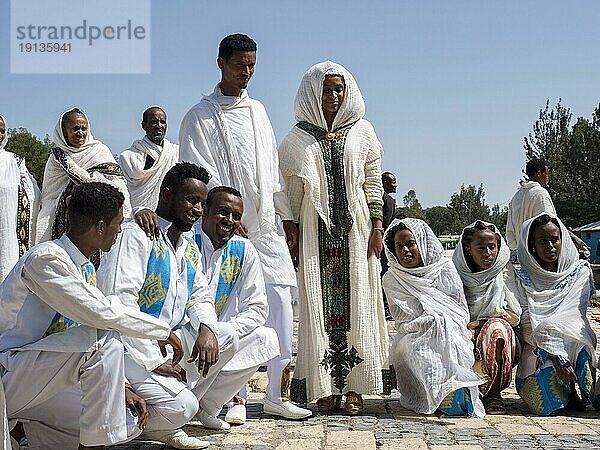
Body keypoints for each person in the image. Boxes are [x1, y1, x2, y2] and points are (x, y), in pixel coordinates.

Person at [178, 33, 309, 420]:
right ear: (221, 63)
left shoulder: (259, 111)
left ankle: (275, 393)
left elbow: (270, 172)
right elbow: (201, 172)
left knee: (280, 307)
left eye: (253, 66)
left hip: (265, 227)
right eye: (240, 66)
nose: (247, 73)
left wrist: (280, 217)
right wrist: (229, 220)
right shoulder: (198, 116)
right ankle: (231, 398)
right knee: (230, 308)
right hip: (224, 229)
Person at [0, 182, 183, 450]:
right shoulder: (46, 260)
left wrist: (119, 386)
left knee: (125, 420)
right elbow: (101, 313)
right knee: (103, 337)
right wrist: (162, 331)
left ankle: (30, 432)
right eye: (117, 223)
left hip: (39, 375)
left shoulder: (85, 268)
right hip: (9, 374)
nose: (120, 230)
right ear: (100, 227)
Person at [278, 61, 389, 414]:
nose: (334, 95)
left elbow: (372, 180)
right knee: (316, 305)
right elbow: (289, 190)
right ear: (313, 92)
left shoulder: (363, 132)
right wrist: (291, 229)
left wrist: (377, 226)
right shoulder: (296, 139)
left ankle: (355, 389)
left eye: (339, 89)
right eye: (327, 89)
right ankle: (323, 388)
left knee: (359, 302)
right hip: (314, 230)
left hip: (357, 231)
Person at [98, 163, 223, 449]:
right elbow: (120, 302)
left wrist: (206, 328)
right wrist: (153, 361)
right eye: (191, 200)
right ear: (167, 196)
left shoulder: (188, 243)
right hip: (129, 347)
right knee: (183, 407)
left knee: (223, 336)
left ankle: (165, 406)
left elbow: (200, 295)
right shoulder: (138, 233)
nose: (199, 210)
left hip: (167, 342)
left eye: (203, 203)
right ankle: (147, 420)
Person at [194, 186, 280, 425]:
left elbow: (258, 307)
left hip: (220, 336)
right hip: (184, 333)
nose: (229, 221)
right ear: (204, 212)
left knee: (266, 339)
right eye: (222, 212)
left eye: (236, 216)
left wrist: (225, 332)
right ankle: (183, 404)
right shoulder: (187, 240)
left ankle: (207, 406)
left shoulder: (243, 249)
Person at [382, 218, 485, 417]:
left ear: (422, 242)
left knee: (454, 340)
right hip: (412, 333)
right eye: (399, 246)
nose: (405, 250)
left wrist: (441, 322)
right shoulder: (392, 277)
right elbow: (404, 317)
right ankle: (429, 393)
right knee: (418, 349)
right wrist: (431, 322)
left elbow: (459, 309)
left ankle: (454, 388)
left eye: (410, 244)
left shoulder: (444, 268)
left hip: (450, 329)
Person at [512, 213, 598, 415]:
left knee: (580, 344)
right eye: (543, 241)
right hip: (538, 349)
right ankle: (565, 395)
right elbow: (527, 325)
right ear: (532, 244)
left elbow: (575, 319)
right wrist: (555, 355)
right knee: (548, 405)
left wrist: (558, 343)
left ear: (562, 239)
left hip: (574, 345)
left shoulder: (580, 272)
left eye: (554, 239)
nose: (550, 246)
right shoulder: (521, 278)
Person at [452, 221, 522, 414]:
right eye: (480, 248)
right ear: (468, 250)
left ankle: (493, 394)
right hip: (465, 333)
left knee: (496, 329)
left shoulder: (504, 271)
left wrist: (483, 322)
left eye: (492, 247)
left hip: (501, 339)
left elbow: (515, 314)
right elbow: (449, 310)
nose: (487, 253)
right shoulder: (456, 273)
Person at [36, 108, 131, 247]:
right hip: (61, 221)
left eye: (84, 128)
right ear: (63, 131)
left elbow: (117, 185)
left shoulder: (100, 151)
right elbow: (50, 195)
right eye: (75, 129)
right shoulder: (56, 158)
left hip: (98, 221)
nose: (80, 133)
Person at [505, 158, 586, 256]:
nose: (547, 177)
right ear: (538, 173)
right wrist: (574, 238)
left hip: (523, 254)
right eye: (546, 173)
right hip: (540, 253)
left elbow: (510, 232)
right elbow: (551, 223)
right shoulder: (540, 193)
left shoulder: (516, 196)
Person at [0, 115, 40, 283]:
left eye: (2, 131)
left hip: (7, 229)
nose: (0, 135)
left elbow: (33, 191)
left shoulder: (13, 161)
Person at [119, 106, 179, 211]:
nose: (159, 126)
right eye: (154, 122)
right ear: (144, 125)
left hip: (169, 215)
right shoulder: (129, 157)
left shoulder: (176, 152)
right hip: (136, 217)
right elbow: (122, 190)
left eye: (162, 122)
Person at [380, 171, 397, 320]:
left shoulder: (389, 200)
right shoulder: (384, 200)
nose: (395, 185)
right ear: (383, 183)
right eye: (392, 182)